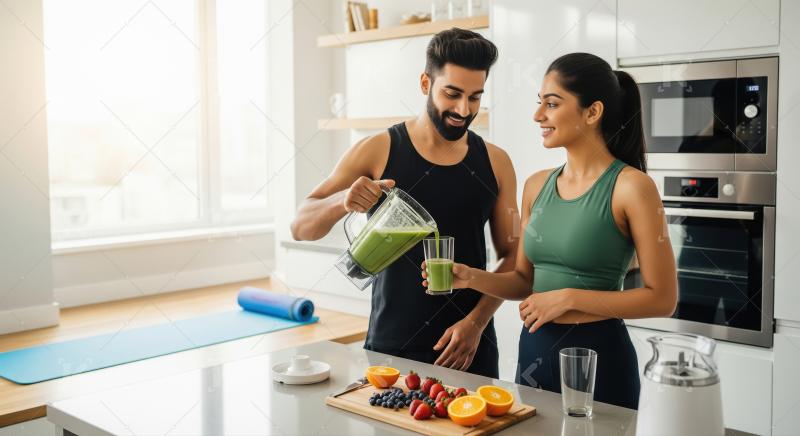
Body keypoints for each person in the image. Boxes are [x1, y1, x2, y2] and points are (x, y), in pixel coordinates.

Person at [422, 52, 678, 408]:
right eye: (539, 103)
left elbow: (663, 299)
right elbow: (525, 280)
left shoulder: (632, 188)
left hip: (599, 360)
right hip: (534, 355)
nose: (538, 115)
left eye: (552, 104)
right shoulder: (536, 186)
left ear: (593, 112)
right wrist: (470, 277)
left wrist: (569, 298)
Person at [290, 28, 519, 378]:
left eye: (475, 97)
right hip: (391, 348)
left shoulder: (496, 163)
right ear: (425, 83)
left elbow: (513, 257)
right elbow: (301, 226)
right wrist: (343, 200)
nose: (463, 109)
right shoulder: (379, 149)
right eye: (452, 93)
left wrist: (476, 323)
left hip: (468, 350)